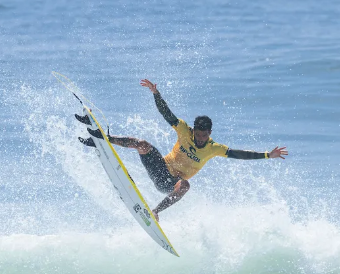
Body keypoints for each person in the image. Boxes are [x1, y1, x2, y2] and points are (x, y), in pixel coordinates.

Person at [76, 79, 288, 221]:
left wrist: (268, 155)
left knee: (185, 185)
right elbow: (166, 113)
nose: (201, 138)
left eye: (205, 135)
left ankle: (155, 211)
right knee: (143, 144)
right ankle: (103, 139)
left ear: (210, 132)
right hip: (159, 168)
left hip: (170, 183)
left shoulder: (214, 148)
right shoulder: (184, 130)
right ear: (194, 130)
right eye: (198, 134)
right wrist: (156, 93)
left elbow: (239, 154)